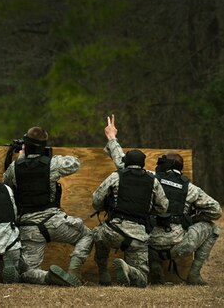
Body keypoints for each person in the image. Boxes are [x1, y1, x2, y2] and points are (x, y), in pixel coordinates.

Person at [3, 127, 92, 287]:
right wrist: (49, 155)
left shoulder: (14, 168)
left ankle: (46, 277)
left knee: (27, 271)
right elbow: (75, 164)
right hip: (55, 222)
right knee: (87, 235)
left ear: (26, 145)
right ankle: (73, 271)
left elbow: (6, 185)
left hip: (29, 228)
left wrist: (22, 158)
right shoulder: (53, 164)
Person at [92, 115, 169, 287]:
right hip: (138, 236)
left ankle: (103, 271)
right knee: (141, 280)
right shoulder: (153, 180)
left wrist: (105, 207)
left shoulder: (117, 176)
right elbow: (163, 207)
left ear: (125, 163)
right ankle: (129, 270)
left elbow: (96, 199)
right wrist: (148, 209)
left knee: (96, 235)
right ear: (143, 165)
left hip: (113, 231)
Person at [147, 153, 221, 285]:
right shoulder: (191, 189)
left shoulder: (150, 178)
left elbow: (126, 164)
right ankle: (194, 275)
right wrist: (194, 219)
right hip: (178, 246)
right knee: (213, 228)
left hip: (148, 244)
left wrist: (112, 139)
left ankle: (155, 262)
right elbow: (216, 211)